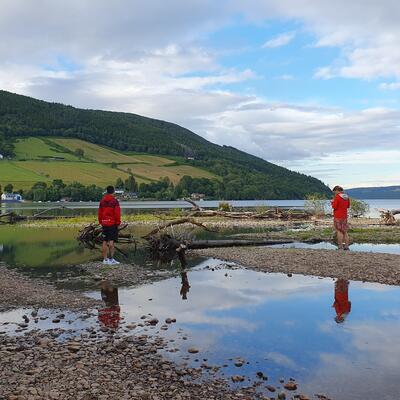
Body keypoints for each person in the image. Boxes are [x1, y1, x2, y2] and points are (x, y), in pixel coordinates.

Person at [98, 185, 121, 264]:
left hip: (104, 223)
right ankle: (111, 259)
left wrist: (101, 221)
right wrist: (118, 222)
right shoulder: (115, 201)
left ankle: (105, 260)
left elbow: (100, 213)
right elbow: (117, 213)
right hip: (112, 224)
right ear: (113, 191)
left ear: (107, 191)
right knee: (111, 242)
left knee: (104, 241)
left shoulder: (102, 201)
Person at [331, 185, 350, 250]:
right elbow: (348, 206)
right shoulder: (346, 197)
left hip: (338, 216)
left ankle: (340, 246)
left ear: (337, 190)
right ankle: (346, 246)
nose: (334, 193)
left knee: (339, 231)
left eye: (334, 191)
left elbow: (334, 207)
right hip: (344, 216)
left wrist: (332, 202)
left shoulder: (337, 197)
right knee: (345, 231)